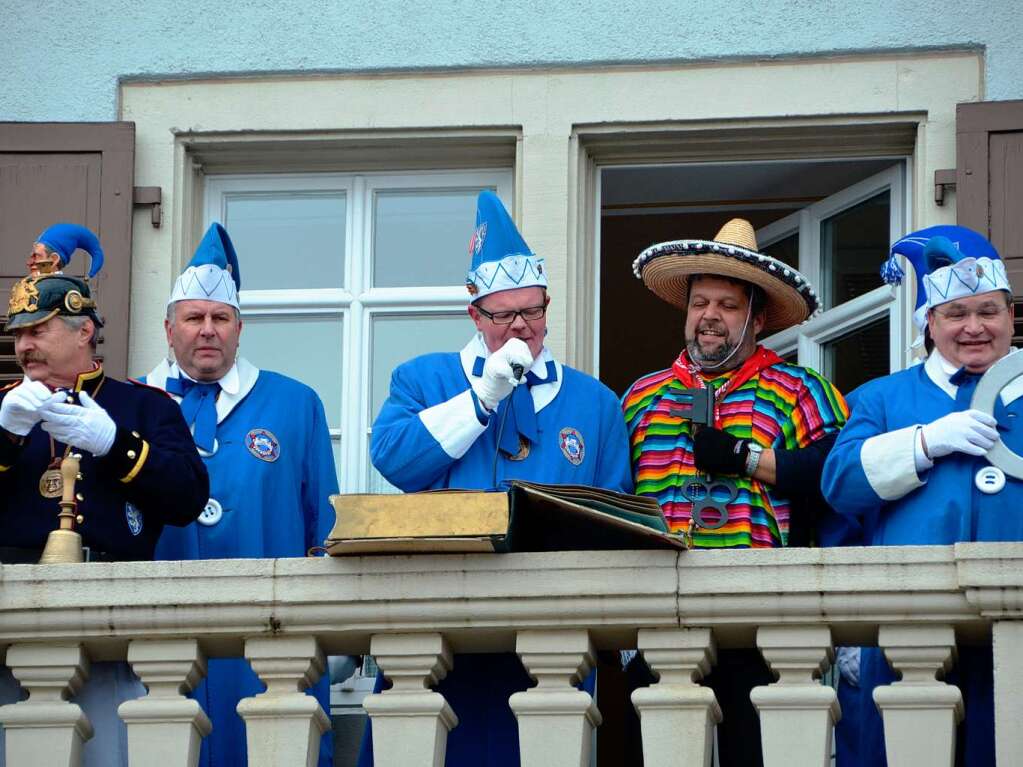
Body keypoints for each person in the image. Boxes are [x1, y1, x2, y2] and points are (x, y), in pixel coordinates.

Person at [365, 190, 633, 767]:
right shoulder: (422, 379)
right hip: (434, 640)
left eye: (532, 311)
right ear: (473, 314)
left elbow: (616, 523)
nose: (521, 327)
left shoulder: (596, 403)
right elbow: (392, 457)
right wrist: (482, 397)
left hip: (552, 645)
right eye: (504, 314)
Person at [622, 218, 849, 766]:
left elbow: (840, 475)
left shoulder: (801, 389)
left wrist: (747, 459)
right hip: (660, 614)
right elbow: (611, 495)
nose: (709, 317)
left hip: (764, 616)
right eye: (700, 302)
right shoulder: (640, 397)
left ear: (758, 316)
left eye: (727, 304)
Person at [0, 223, 208, 767]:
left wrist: (115, 444)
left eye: (38, 330)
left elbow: (188, 498)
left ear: (84, 330)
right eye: (18, 334)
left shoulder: (144, 406)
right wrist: (3, 438)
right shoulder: (2, 406)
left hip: (117, 618)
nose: (23, 346)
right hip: (12, 624)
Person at [822, 225, 1022, 767]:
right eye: (956, 314)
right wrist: (926, 441)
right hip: (906, 638)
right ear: (929, 323)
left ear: (1010, 316)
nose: (975, 327)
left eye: (989, 311)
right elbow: (839, 485)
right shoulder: (882, 398)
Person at [143, 223, 340, 767]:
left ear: (239, 327)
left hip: (274, 648)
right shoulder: (134, 406)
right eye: (194, 318)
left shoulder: (295, 404)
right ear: (169, 327)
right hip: (160, 645)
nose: (207, 330)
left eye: (220, 318)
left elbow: (324, 534)